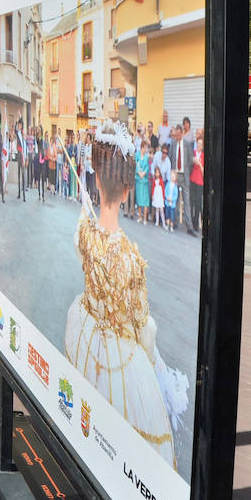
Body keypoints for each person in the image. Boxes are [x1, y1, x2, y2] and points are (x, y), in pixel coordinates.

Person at [65, 121, 185, 467]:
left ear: (97, 179)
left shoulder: (83, 231)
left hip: (86, 331)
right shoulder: (130, 257)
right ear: (129, 189)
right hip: (121, 353)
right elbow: (139, 324)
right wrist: (153, 360)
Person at [173, 120, 198, 237]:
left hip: (185, 176)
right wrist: (173, 173)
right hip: (176, 176)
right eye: (175, 135)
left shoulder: (188, 144)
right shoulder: (173, 144)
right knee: (176, 201)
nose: (177, 137)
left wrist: (187, 172)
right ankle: (175, 222)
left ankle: (190, 227)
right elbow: (171, 158)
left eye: (178, 135)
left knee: (186, 203)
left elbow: (191, 161)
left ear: (182, 133)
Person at [190, 128, 205, 233]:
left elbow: (204, 172)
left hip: (200, 181)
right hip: (192, 179)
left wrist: (199, 163)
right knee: (192, 201)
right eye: (198, 143)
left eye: (201, 144)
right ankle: (192, 222)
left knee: (198, 203)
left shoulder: (204, 156)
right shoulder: (193, 153)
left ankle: (196, 222)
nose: (199, 145)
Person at [134, 139, 152, 224]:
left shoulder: (146, 157)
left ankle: (145, 218)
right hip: (138, 179)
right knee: (139, 199)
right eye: (144, 148)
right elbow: (136, 165)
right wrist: (138, 172)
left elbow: (147, 168)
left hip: (144, 181)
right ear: (141, 147)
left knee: (145, 200)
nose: (145, 150)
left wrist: (143, 173)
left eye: (146, 149)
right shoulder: (137, 155)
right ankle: (140, 216)